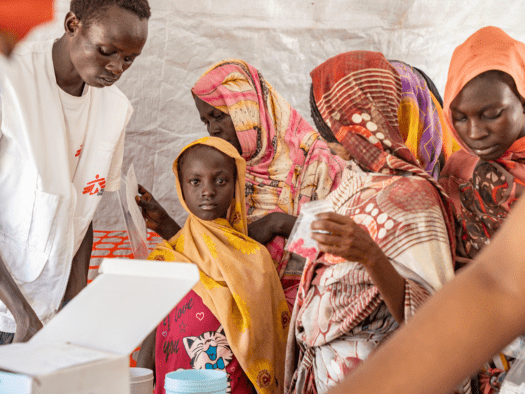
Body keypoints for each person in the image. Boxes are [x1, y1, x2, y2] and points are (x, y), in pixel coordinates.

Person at [283, 51, 457, 394]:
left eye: (334, 135)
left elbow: (439, 319)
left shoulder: (414, 196)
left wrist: (370, 256)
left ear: (360, 123)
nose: (333, 149)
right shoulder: (351, 182)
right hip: (328, 375)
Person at [137, 58, 347, 312]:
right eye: (206, 121)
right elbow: (220, 252)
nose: (213, 129)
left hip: (309, 304)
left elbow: (340, 247)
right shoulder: (231, 167)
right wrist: (166, 225)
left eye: (218, 116)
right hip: (243, 298)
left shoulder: (320, 164)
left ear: (247, 107)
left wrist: (278, 223)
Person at [0, 0, 150, 344]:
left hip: (45, 314)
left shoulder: (114, 110)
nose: (117, 68)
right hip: (13, 310)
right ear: (72, 25)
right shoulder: (11, 81)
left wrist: (75, 304)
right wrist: (23, 316)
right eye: (107, 51)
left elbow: (83, 214)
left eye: (129, 59)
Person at [321, 193, 525, 394]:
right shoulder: (342, 198)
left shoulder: (413, 193)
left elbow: (500, 283)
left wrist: (372, 257)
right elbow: (496, 282)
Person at [137, 137, 289, 394]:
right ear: (181, 187)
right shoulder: (169, 255)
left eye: (220, 181)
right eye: (195, 182)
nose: (207, 191)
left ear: (235, 186)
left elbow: (265, 336)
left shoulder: (254, 257)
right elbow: (154, 327)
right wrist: (140, 382)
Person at [437, 26, 525, 393]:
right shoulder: (458, 172)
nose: (474, 132)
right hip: (477, 347)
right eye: (459, 117)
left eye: (492, 114)